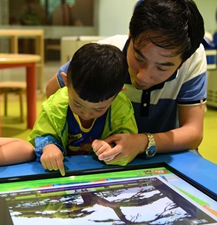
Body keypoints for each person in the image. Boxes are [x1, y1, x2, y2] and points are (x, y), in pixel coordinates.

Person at [45, 0, 207, 166]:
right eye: (139, 58)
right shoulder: (103, 56)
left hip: (165, 156)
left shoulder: (193, 60)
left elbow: (193, 133)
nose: (143, 76)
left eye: (161, 68)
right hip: (102, 159)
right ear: (130, 35)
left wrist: (142, 142)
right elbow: (52, 90)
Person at [28, 43, 138, 176]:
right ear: (66, 82)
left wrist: (113, 148)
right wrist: (48, 147)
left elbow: (127, 140)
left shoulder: (121, 108)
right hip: (64, 171)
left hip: (102, 174)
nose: (86, 114)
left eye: (99, 109)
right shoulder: (55, 105)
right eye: (77, 104)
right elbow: (42, 134)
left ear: (118, 94)